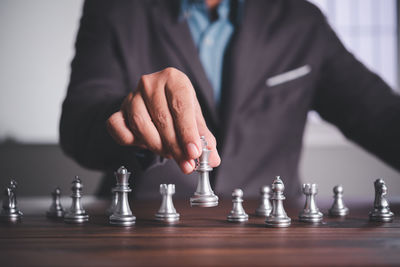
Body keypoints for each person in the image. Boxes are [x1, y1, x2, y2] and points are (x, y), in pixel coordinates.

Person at [60, 0, 400, 200]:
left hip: (272, 235)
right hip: (141, 232)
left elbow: (381, 116)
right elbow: (78, 127)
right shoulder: (113, 9)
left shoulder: (301, 20)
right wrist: (133, 116)